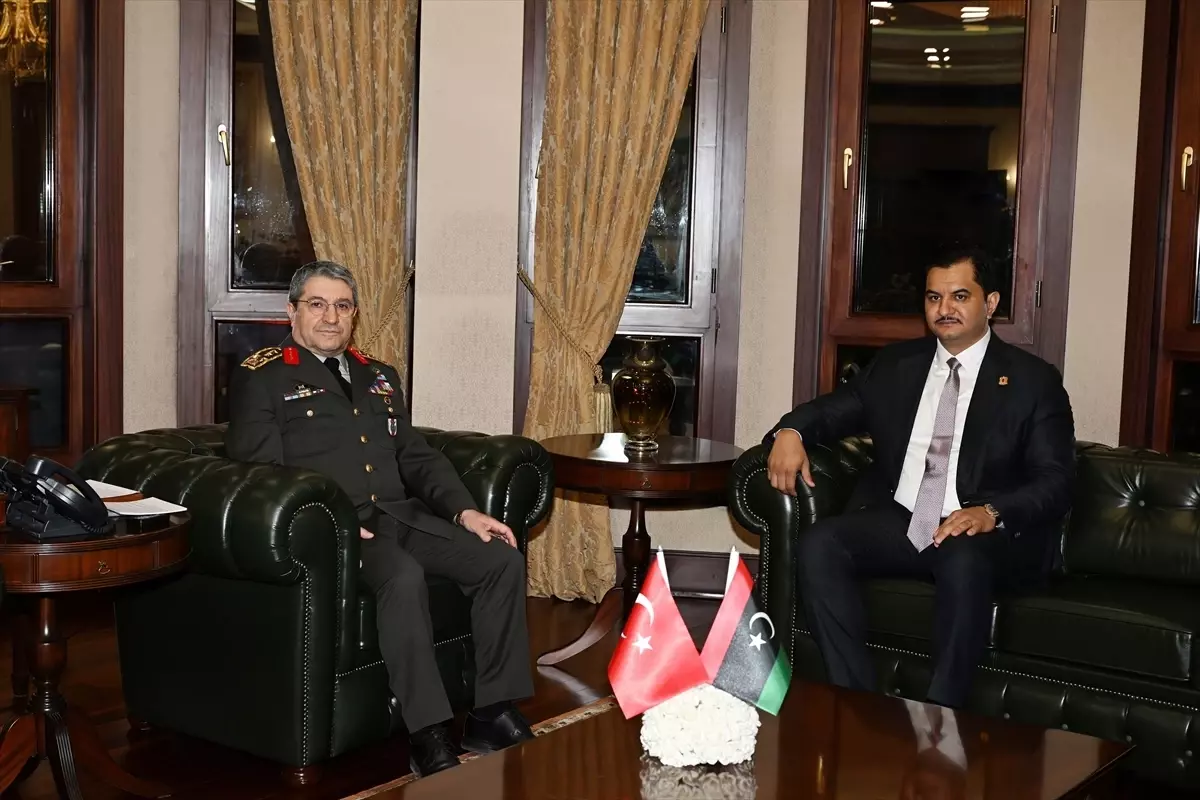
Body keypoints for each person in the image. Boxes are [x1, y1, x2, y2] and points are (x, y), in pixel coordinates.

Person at [225, 261, 535, 777]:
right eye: (317, 305)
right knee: (403, 577)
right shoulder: (263, 376)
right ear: (292, 311)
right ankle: (427, 733)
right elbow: (260, 471)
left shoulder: (379, 374)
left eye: (342, 306)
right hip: (335, 530)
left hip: (399, 516)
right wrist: (335, 520)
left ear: (355, 314)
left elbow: (414, 455)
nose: (331, 317)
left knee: (500, 560)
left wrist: (465, 512)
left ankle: (491, 712)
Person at [765, 248, 1074, 709]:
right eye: (933, 297)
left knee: (962, 556)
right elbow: (833, 411)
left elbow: (1056, 480)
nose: (944, 308)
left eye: (960, 296)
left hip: (982, 532)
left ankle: (939, 720)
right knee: (820, 543)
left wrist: (991, 512)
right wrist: (790, 432)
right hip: (906, 519)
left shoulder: (1033, 380)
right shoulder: (898, 365)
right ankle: (857, 706)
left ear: (990, 303)